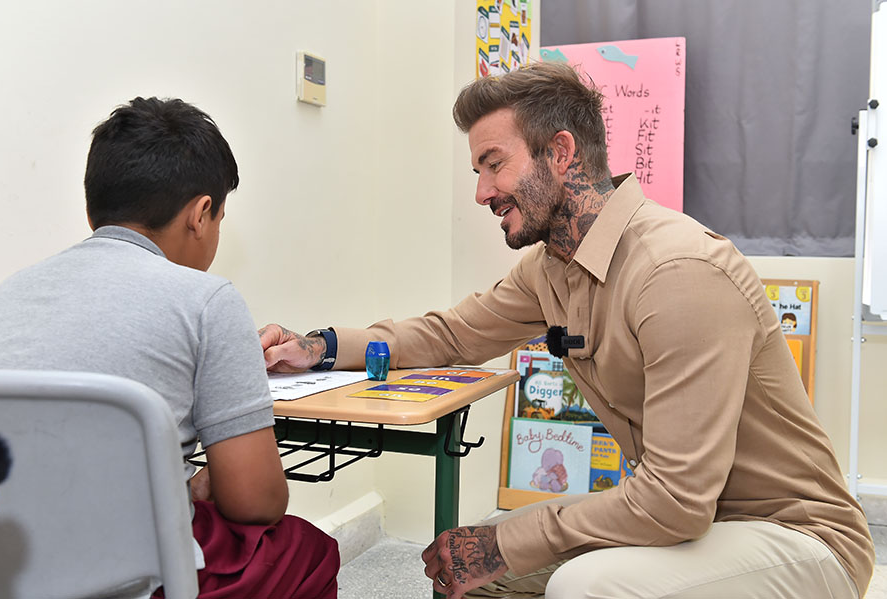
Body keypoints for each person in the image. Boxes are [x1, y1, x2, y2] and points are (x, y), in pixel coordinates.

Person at [259, 62, 875, 598]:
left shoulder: (678, 272)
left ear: (559, 153)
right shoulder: (551, 268)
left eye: (492, 165)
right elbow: (450, 335)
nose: (480, 193)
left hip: (793, 537)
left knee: (582, 585)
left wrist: (505, 538)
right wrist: (318, 346)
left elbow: (675, 502)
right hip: (699, 522)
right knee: (483, 577)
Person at [0, 97, 339, 599]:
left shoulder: (7, 293)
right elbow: (256, 503)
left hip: (7, 560)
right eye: (219, 219)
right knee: (307, 551)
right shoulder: (206, 300)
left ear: (93, 211)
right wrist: (201, 481)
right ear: (200, 214)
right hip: (131, 572)